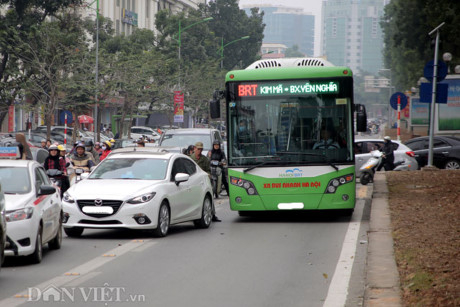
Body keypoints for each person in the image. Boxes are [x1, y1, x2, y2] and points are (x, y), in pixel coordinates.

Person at [190, 142, 221, 222]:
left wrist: (208, 175)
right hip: (191, 182)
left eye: (201, 149)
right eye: (198, 149)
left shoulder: (204, 159)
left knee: (208, 197)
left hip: (202, 182)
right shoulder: (190, 159)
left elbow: (208, 170)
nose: (199, 151)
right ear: (194, 149)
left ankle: (212, 214)